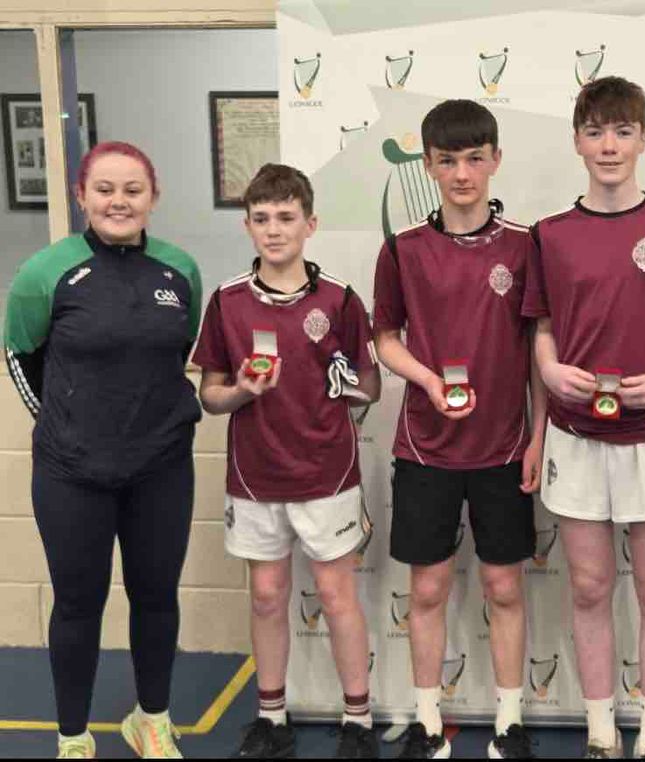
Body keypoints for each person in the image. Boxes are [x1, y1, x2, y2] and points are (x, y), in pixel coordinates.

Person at [522, 76, 645, 759]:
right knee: (590, 586)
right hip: (575, 436)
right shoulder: (548, 234)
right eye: (596, 131)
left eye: (623, 131)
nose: (609, 146)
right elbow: (541, 328)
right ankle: (601, 732)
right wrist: (549, 370)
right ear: (577, 141)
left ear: (643, 139)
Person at [4, 141, 202, 759]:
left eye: (133, 190)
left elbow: (178, 352)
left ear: (153, 197)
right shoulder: (45, 272)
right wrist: (64, 427)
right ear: (81, 196)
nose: (120, 201)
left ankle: (151, 720)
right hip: (72, 473)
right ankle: (73, 737)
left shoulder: (179, 270)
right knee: (77, 604)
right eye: (105, 189)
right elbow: (21, 354)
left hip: (161, 469)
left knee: (156, 597)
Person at [372, 100, 545, 760]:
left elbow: (538, 352)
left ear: (496, 160)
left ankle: (510, 724)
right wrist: (426, 380)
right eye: (448, 161)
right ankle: (426, 724)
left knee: (505, 587)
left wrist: (538, 437)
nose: (463, 173)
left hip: (504, 447)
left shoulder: (526, 247)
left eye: (475, 158)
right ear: (428, 166)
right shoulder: (403, 249)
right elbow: (385, 338)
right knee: (427, 589)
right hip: (426, 448)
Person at [191, 164, 381, 759]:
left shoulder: (340, 300)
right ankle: (272, 718)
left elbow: (371, 386)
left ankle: (358, 720)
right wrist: (242, 390)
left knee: (336, 595)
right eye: (262, 218)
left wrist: (345, 382)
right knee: (268, 596)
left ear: (310, 224)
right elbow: (210, 395)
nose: (274, 229)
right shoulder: (226, 302)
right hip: (255, 478)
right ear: (247, 226)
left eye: (286, 217)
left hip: (327, 474)